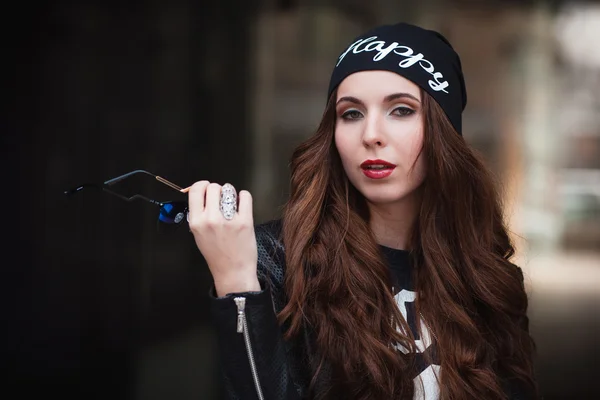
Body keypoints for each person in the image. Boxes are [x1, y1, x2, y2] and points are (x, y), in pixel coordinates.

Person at [184, 22, 538, 400]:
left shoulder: (488, 280)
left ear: (443, 129)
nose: (371, 134)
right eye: (350, 113)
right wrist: (238, 286)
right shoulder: (277, 263)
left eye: (401, 110)